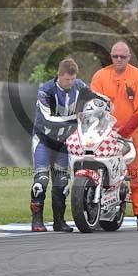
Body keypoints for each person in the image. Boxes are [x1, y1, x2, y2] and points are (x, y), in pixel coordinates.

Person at [90, 41, 138, 231]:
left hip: (134, 133)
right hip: (106, 132)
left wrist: (126, 130)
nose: (118, 60)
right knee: (100, 170)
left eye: (122, 57)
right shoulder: (100, 76)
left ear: (129, 58)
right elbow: (92, 103)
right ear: (111, 56)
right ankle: (98, 208)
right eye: (115, 56)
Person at [30, 58, 88, 232]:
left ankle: (59, 221)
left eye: (72, 79)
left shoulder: (79, 85)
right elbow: (47, 120)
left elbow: (93, 98)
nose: (70, 83)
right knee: (41, 180)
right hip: (43, 140)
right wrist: (75, 118)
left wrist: (105, 102)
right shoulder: (45, 90)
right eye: (66, 80)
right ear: (59, 75)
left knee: (62, 182)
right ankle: (37, 221)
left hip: (64, 142)